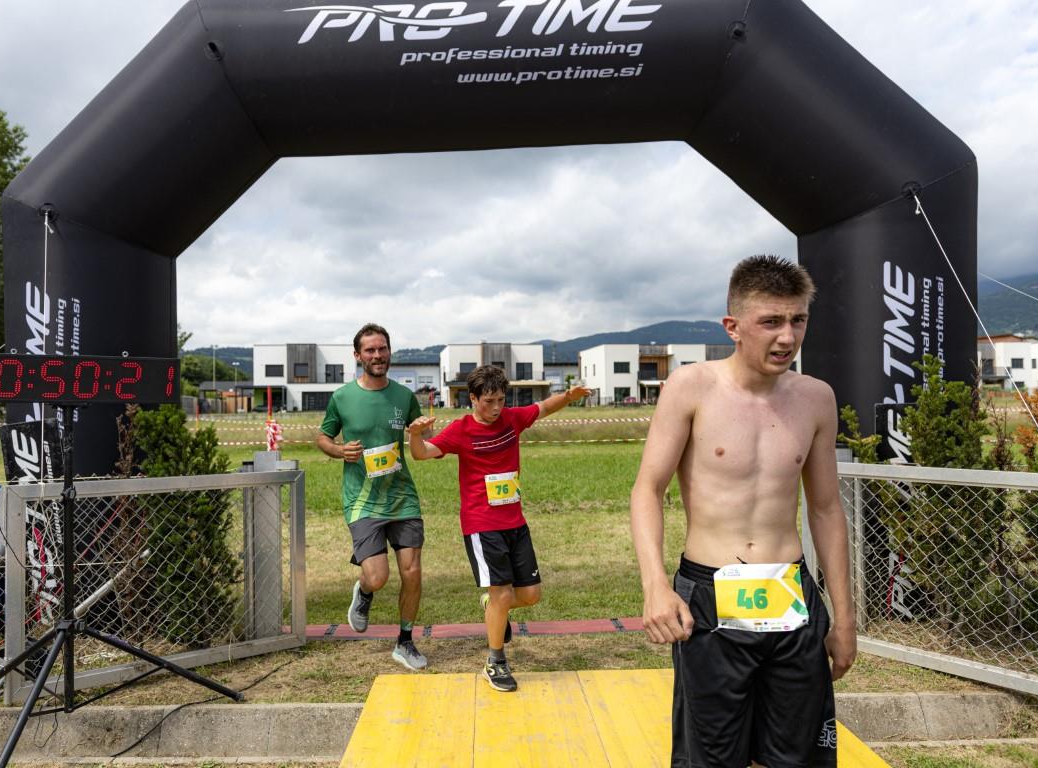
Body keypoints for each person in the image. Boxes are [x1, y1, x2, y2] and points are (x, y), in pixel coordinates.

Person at [630, 255, 856, 767]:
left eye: (798, 320)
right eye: (770, 321)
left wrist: (844, 617)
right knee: (712, 757)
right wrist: (654, 585)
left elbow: (825, 509)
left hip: (790, 593)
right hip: (711, 595)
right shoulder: (691, 387)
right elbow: (648, 489)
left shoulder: (816, 398)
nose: (787, 337)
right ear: (732, 326)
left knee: (795, 756)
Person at [407, 365, 591, 692]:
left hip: (515, 522)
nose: (495, 408)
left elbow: (544, 407)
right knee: (503, 594)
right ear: (473, 398)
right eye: (488, 401)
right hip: (482, 525)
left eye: (501, 400)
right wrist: (415, 434)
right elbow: (422, 454)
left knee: (530, 596)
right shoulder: (461, 430)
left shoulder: (511, 419)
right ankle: (495, 661)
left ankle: (493, 606)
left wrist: (568, 396)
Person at [315, 323, 428, 671]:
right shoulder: (343, 397)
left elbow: (420, 439)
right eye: (370, 350)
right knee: (378, 577)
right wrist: (339, 450)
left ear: (389, 351)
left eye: (382, 349)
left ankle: (405, 641)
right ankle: (364, 591)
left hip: (402, 497)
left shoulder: (404, 397)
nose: (377, 355)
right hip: (362, 501)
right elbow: (322, 437)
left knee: (412, 572)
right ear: (357, 355)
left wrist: (420, 433)